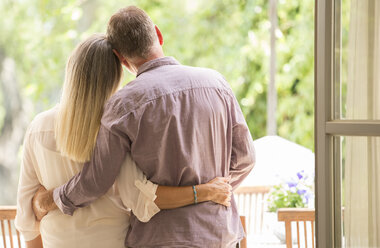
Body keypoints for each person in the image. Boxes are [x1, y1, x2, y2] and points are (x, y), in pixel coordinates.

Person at [34, 6, 255, 248]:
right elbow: (245, 158)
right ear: (158, 35)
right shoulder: (216, 83)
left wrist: (54, 198)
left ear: (121, 58)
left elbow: (96, 180)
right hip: (219, 235)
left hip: (161, 239)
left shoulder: (123, 105)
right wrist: (211, 194)